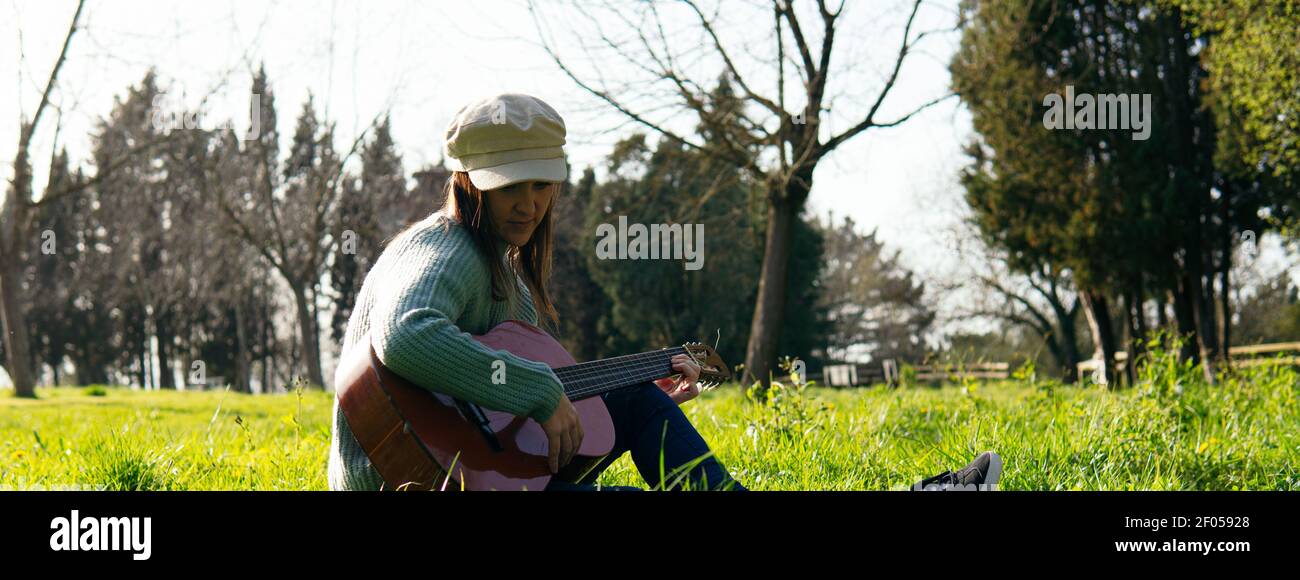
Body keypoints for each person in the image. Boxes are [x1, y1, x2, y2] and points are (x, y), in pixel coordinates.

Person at [328, 93, 745, 491]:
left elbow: (518, 420)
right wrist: (541, 391)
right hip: (407, 476)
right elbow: (406, 336)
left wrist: (643, 403)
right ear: (469, 182)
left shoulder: (510, 282)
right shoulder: (447, 247)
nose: (528, 206)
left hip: (483, 472)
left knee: (637, 398)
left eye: (541, 185)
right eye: (509, 187)